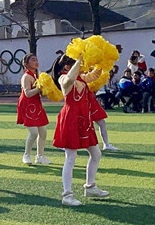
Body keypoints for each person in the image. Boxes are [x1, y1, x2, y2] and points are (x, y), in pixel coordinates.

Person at [51, 54, 110, 206]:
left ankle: (90, 187)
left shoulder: (81, 77)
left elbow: (95, 75)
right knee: (70, 156)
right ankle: (67, 195)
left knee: (96, 153)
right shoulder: (63, 78)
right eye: (79, 64)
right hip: (71, 118)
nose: (83, 66)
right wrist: (79, 60)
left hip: (84, 118)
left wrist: (101, 60)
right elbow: (69, 81)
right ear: (67, 66)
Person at [17, 54, 50, 165]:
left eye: (36, 59)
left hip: (36, 105)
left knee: (43, 132)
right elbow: (27, 93)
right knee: (34, 132)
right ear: (26, 64)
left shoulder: (37, 75)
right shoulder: (26, 77)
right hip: (27, 105)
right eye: (33, 60)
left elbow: (39, 93)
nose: (36, 62)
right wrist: (39, 87)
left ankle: (40, 156)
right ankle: (26, 155)